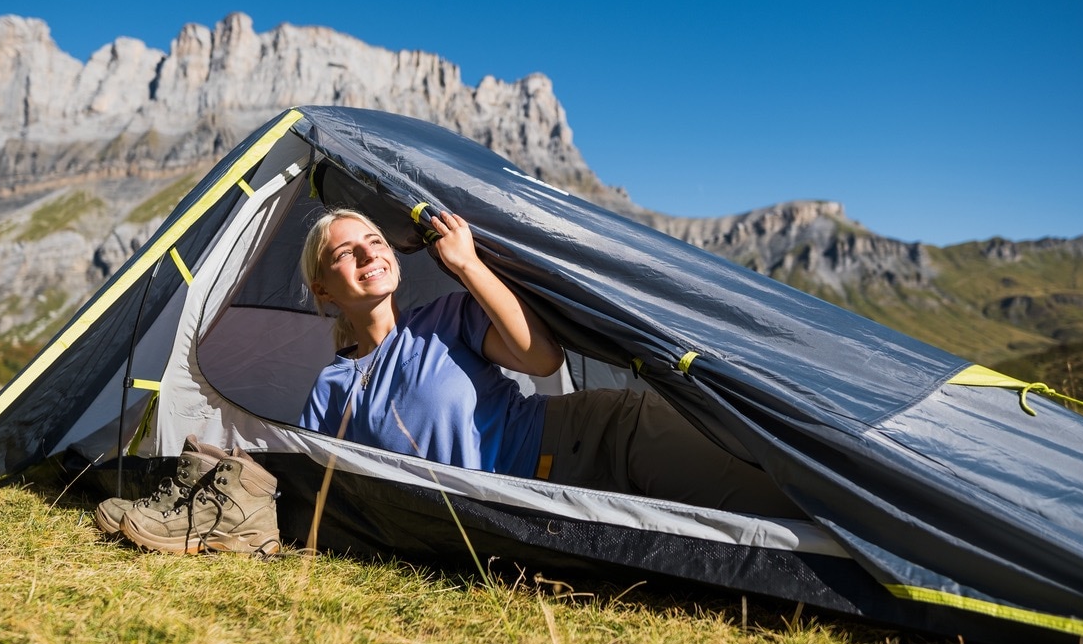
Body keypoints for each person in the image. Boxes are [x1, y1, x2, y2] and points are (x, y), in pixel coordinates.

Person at [297, 207, 804, 518]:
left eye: (376, 241)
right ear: (321, 287)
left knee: (782, 506)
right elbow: (320, 486)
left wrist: (468, 264)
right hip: (518, 506)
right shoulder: (332, 386)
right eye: (346, 252)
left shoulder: (448, 316)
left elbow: (540, 360)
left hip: (596, 438)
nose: (369, 255)